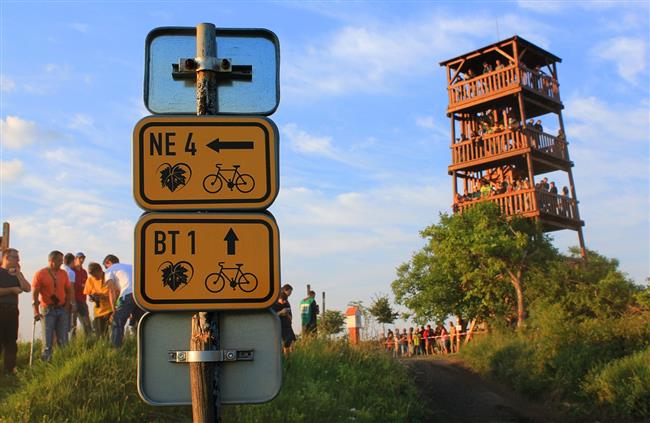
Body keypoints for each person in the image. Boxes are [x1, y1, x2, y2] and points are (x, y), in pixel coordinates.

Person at [32, 250, 75, 361]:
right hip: (47, 310)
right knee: (47, 340)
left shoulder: (63, 273)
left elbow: (69, 290)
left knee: (64, 340)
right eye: (59, 260)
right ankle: (46, 365)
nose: (62, 262)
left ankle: (63, 364)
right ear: (52, 261)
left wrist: (67, 305)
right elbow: (35, 294)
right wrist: (36, 311)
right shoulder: (40, 274)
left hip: (62, 309)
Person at [0, 248, 31, 374]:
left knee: (11, 340)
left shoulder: (17, 273)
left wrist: (18, 274)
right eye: (16, 257)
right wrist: (11, 290)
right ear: (7, 258)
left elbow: (27, 288)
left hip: (13, 311)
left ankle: (10, 369)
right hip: (1, 309)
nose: (18, 260)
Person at [104, 254, 142, 347]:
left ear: (108, 262)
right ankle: (145, 349)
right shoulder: (129, 267)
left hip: (128, 295)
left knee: (117, 322)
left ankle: (116, 350)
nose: (105, 269)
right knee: (143, 323)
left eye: (105, 267)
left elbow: (112, 290)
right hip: (142, 295)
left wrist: (114, 310)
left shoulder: (110, 269)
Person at [83, 262, 112, 337]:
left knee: (114, 333)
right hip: (99, 311)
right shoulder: (90, 280)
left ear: (100, 270)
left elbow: (116, 293)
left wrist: (103, 296)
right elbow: (88, 294)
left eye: (96, 275)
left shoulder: (109, 277)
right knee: (101, 336)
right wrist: (92, 298)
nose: (95, 278)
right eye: (92, 276)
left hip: (111, 310)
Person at [71, 252, 91, 336]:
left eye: (83, 258)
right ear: (75, 259)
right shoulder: (71, 271)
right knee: (73, 325)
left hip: (82, 300)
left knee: (87, 324)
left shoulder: (84, 272)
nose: (82, 260)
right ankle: (72, 344)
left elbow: (87, 285)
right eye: (80, 258)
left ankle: (89, 342)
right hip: (74, 301)